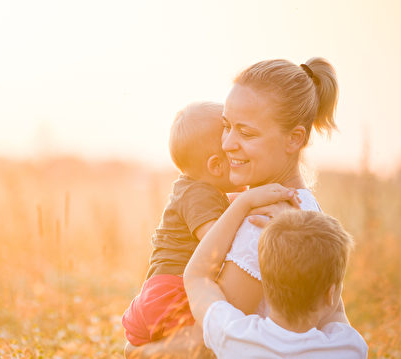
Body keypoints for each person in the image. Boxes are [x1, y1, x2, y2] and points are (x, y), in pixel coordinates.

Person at [126, 57, 363, 357]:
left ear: (294, 139)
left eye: (246, 133)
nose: (226, 144)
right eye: (226, 126)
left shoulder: (262, 222)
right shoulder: (304, 207)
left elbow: (207, 344)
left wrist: (134, 350)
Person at [184, 184, 368, 358]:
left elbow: (196, 277)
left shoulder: (237, 337)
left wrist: (243, 202)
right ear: (330, 293)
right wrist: (300, 235)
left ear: (264, 282)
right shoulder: (348, 347)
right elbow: (336, 312)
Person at [121, 102, 238, 347]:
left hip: (159, 291)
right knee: (207, 341)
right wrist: (244, 207)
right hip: (174, 291)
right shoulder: (200, 195)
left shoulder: (193, 189)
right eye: (233, 155)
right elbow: (215, 243)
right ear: (216, 165)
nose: (239, 154)